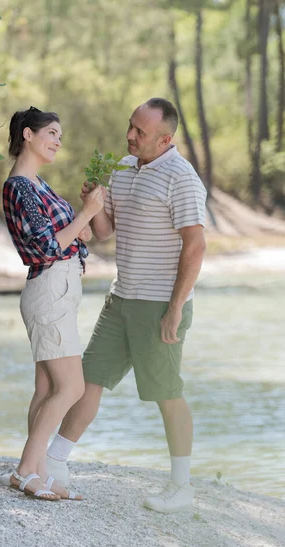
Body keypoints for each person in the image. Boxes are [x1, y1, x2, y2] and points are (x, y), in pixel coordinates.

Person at [45, 97, 207, 512]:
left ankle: (181, 487)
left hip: (159, 305)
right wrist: (91, 206)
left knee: (166, 393)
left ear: (166, 139)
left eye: (141, 132)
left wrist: (175, 308)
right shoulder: (122, 166)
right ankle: (53, 462)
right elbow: (104, 231)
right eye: (131, 126)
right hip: (121, 298)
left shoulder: (181, 178)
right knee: (87, 381)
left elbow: (196, 244)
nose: (131, 136)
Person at [0, 106, 106, 501]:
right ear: (28, 135)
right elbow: (46, 248)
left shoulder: (37, 184)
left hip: (57, 290)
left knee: (47, 388)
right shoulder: (20, 186)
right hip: (49, 289)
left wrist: (87, 218)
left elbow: (74, 239)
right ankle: (26, 469)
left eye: (60, 135)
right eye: (52, 133)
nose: (58, 141)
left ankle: (39, 473)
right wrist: (86, 214)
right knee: (72, 386)